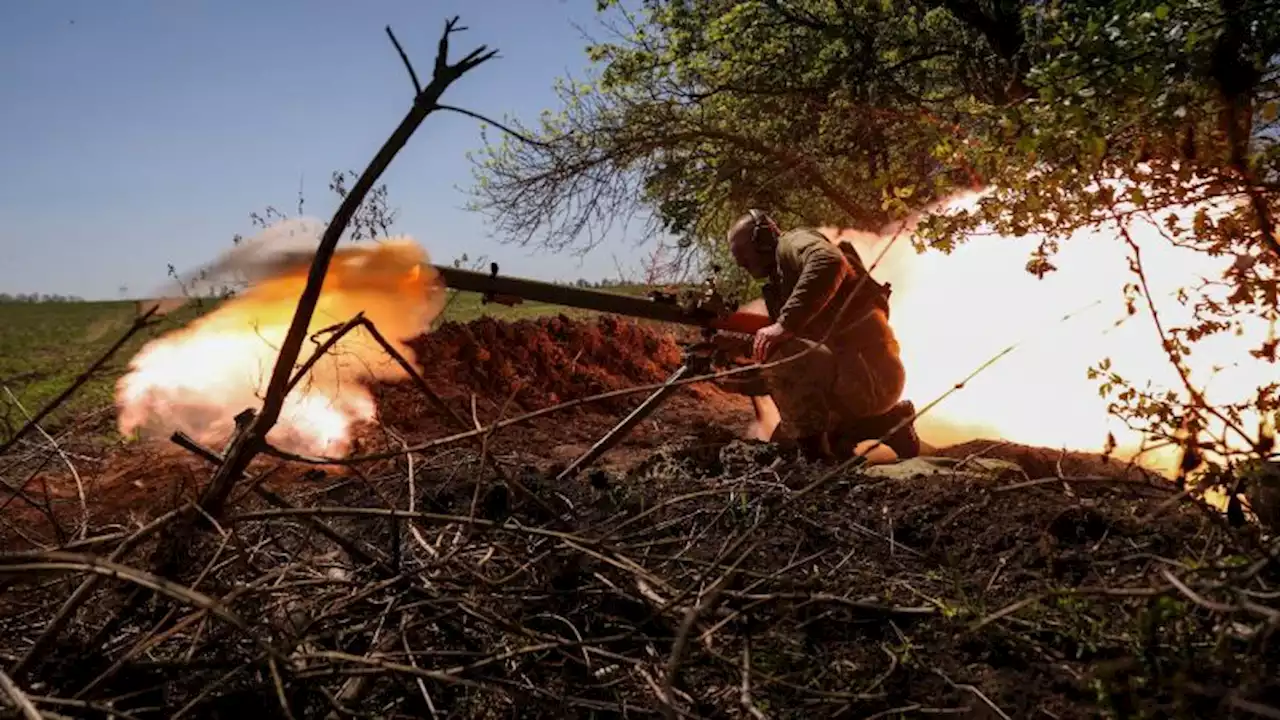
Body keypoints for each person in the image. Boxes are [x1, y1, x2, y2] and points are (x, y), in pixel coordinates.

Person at [718, 209, 920, 461]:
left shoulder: (791, 243)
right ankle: (889, 423)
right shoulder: (783, 282)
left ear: (762, 239)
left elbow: (829, 262)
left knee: (782, 354)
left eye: (742, 254)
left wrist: (784, 325)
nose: (741, 264)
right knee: (785, 443)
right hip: (858, 378)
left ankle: (817, 465)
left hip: (871, 375)